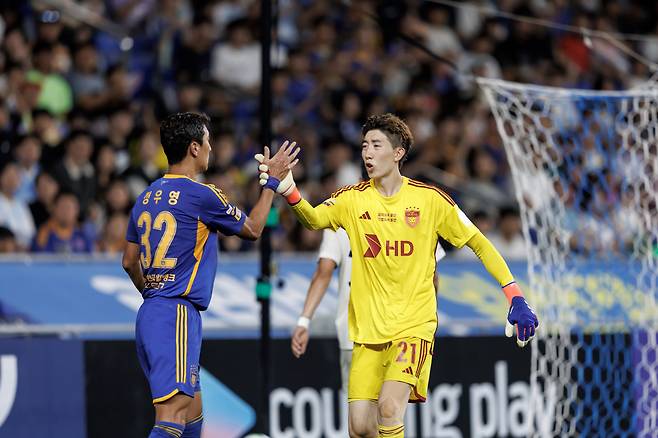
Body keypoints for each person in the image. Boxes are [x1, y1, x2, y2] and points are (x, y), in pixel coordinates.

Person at [258, 113, 538, 438]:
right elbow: (314, 220)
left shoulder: (430, 200)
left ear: (398, 153)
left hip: (413, 326)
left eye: (376, 145)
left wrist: (514, 295)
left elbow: (479, 243)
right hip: (367, 332)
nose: (367, 153)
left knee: (390, 409)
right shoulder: (353, 199)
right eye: (364, 146)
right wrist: (289, 189)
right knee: (361, 427)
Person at [121, 112, 298, 438]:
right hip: (176, 312)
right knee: (171, 417)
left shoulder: (145, 197)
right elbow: (253, 228)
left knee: (192, 415)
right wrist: (271, 182)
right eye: (207, 141)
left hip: (153, 312)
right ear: (193, 148)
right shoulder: (202, 194)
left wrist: (153, 292)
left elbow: (130, 261)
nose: (211, 148)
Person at [291, 228, 445, 392]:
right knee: (390, 411)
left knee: (361, 414)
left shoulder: (338, 211)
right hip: (399, 335)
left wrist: (304, 321)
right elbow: (431, 276)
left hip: (355, 335)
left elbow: (324, 272)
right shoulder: (410, 209)